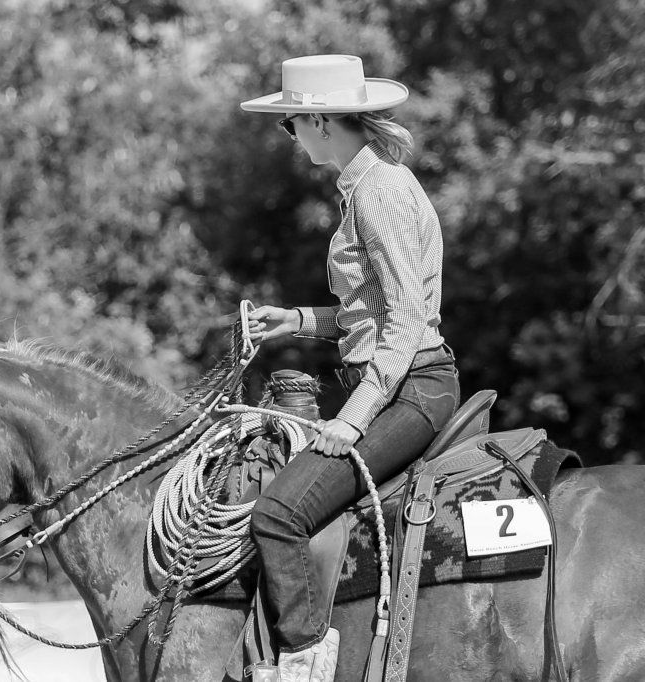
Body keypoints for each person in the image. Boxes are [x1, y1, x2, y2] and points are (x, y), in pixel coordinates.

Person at [239, 55, 461, 682]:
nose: (290, 136)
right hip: (396, 380)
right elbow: (373, 309)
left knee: (277, 514)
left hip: (410, 389)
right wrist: (303, 321)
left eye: (290, 124)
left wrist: (356, 418)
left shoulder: (380, 192)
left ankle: (306, 660)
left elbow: (408, 318)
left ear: (317, 120)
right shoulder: (365, 186)